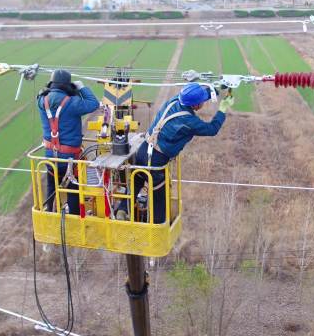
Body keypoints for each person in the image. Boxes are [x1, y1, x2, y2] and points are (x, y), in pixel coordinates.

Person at [116, 83, 234, 223]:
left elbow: (193, 96)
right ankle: (157, 227)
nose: (203, 103)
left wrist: (214, 90)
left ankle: (122, 210)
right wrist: (222, 109)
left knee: (137, 181)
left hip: (143, 150)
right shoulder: (188, 121)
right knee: (159, 198)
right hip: (156, 160)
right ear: (196, 105)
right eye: (202, 101)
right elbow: (212, 129)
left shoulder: (174, 101)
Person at [38, 69, 100, 214]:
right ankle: (74, 215)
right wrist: (81, 88)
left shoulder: (42, 101)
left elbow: (41, 94)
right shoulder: (73, 103)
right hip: (69, 159)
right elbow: (93, 104)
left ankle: (49, 212)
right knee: (73, 188)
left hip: (50, 157)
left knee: (51, 186)